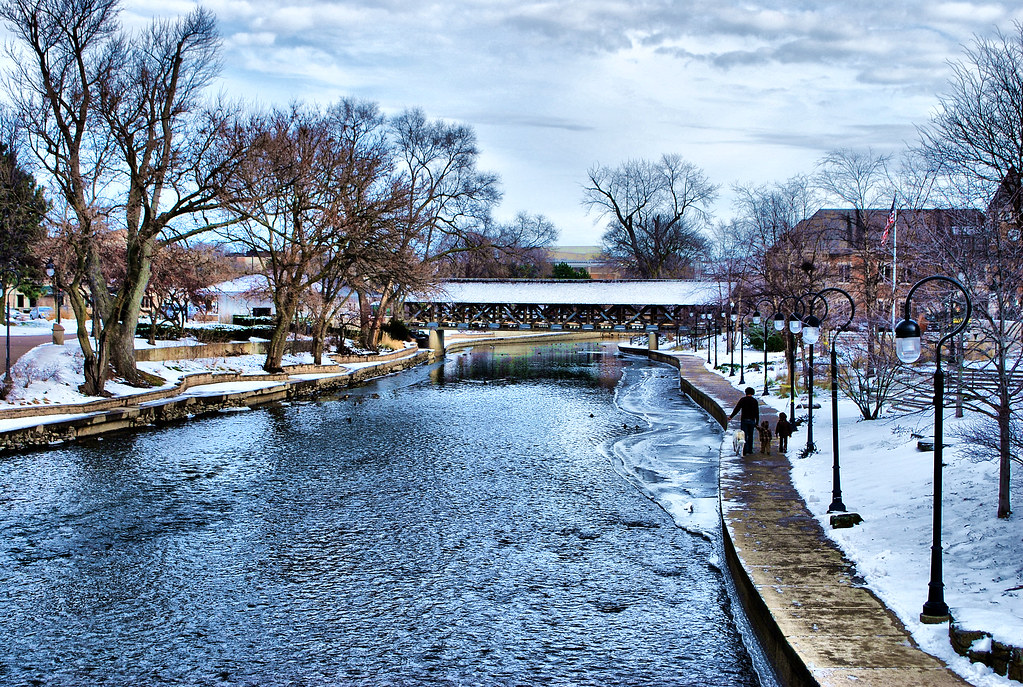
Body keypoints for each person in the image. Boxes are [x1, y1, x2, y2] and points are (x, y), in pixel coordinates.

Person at [728, 387, 759, 455]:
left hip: (744, 419)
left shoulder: (743, 400)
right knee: (751, 435)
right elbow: (757, 412)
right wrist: (757, 422)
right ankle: (750, 450)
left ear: (746, 392)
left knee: (744, 435)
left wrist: (731, 416)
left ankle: (744, 450)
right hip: (752, 420)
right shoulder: (754, 401)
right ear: (752, 393)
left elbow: (737, 409)